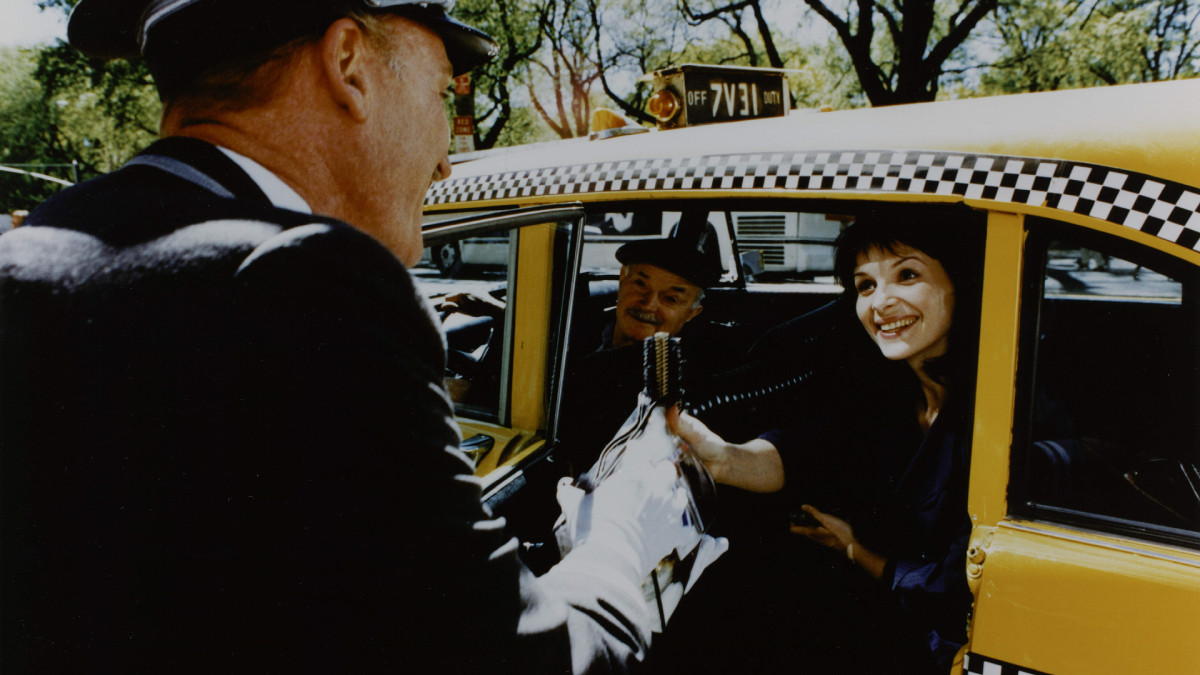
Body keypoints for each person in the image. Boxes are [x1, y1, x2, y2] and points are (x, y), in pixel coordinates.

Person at [0, 1, 708, 671]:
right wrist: (620, 535)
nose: (443, 161)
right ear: (347, 64)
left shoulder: (29, 253)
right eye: (441, 93)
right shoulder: (306, 280)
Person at [668, 214, 983, 673]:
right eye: (865, 286)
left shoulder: (995, 416)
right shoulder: (893, 392)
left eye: (907, 275)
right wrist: (722, 458)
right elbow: (810, 451)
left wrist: (859, 553)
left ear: (961, 282)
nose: (881, 303)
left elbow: (958, 592)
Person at [554, 214, 724, 477]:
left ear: (692, 313)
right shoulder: (575, 329)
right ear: (622, 279)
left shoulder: (675, 380)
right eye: (640, 284)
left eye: (670, 298)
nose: (648, 304)